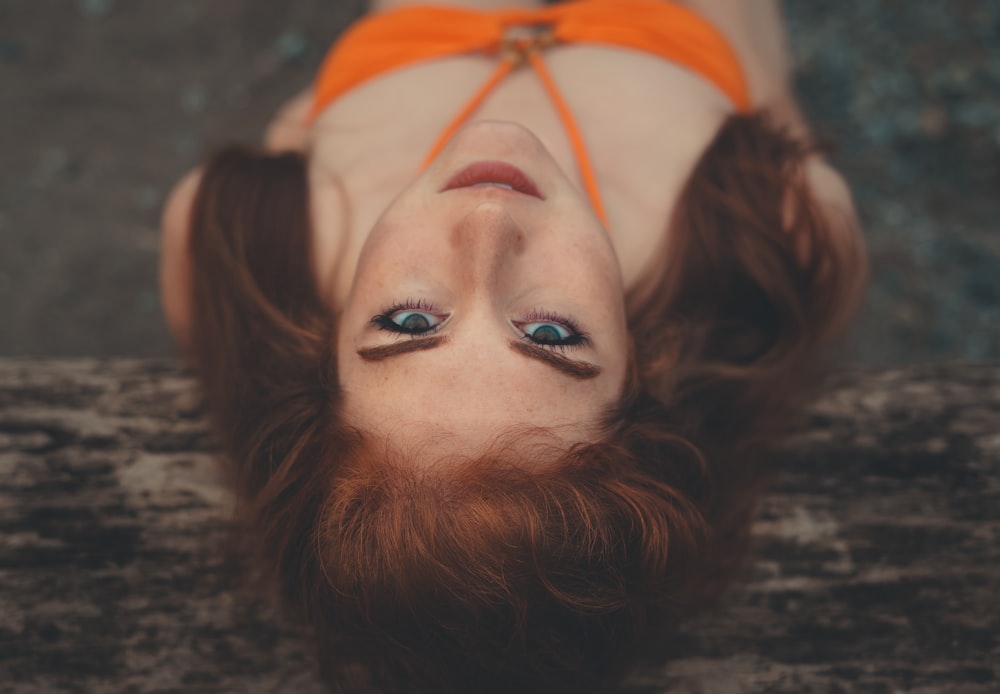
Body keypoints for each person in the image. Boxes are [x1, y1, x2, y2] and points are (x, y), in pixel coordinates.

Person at [159, 1, 868, 692]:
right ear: (643, 375)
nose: (489, 223)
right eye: (552, 335)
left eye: (408, 323)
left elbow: (297, 124)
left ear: (320, 352)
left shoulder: (235, 236)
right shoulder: (771, 229)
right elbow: (772, 106)